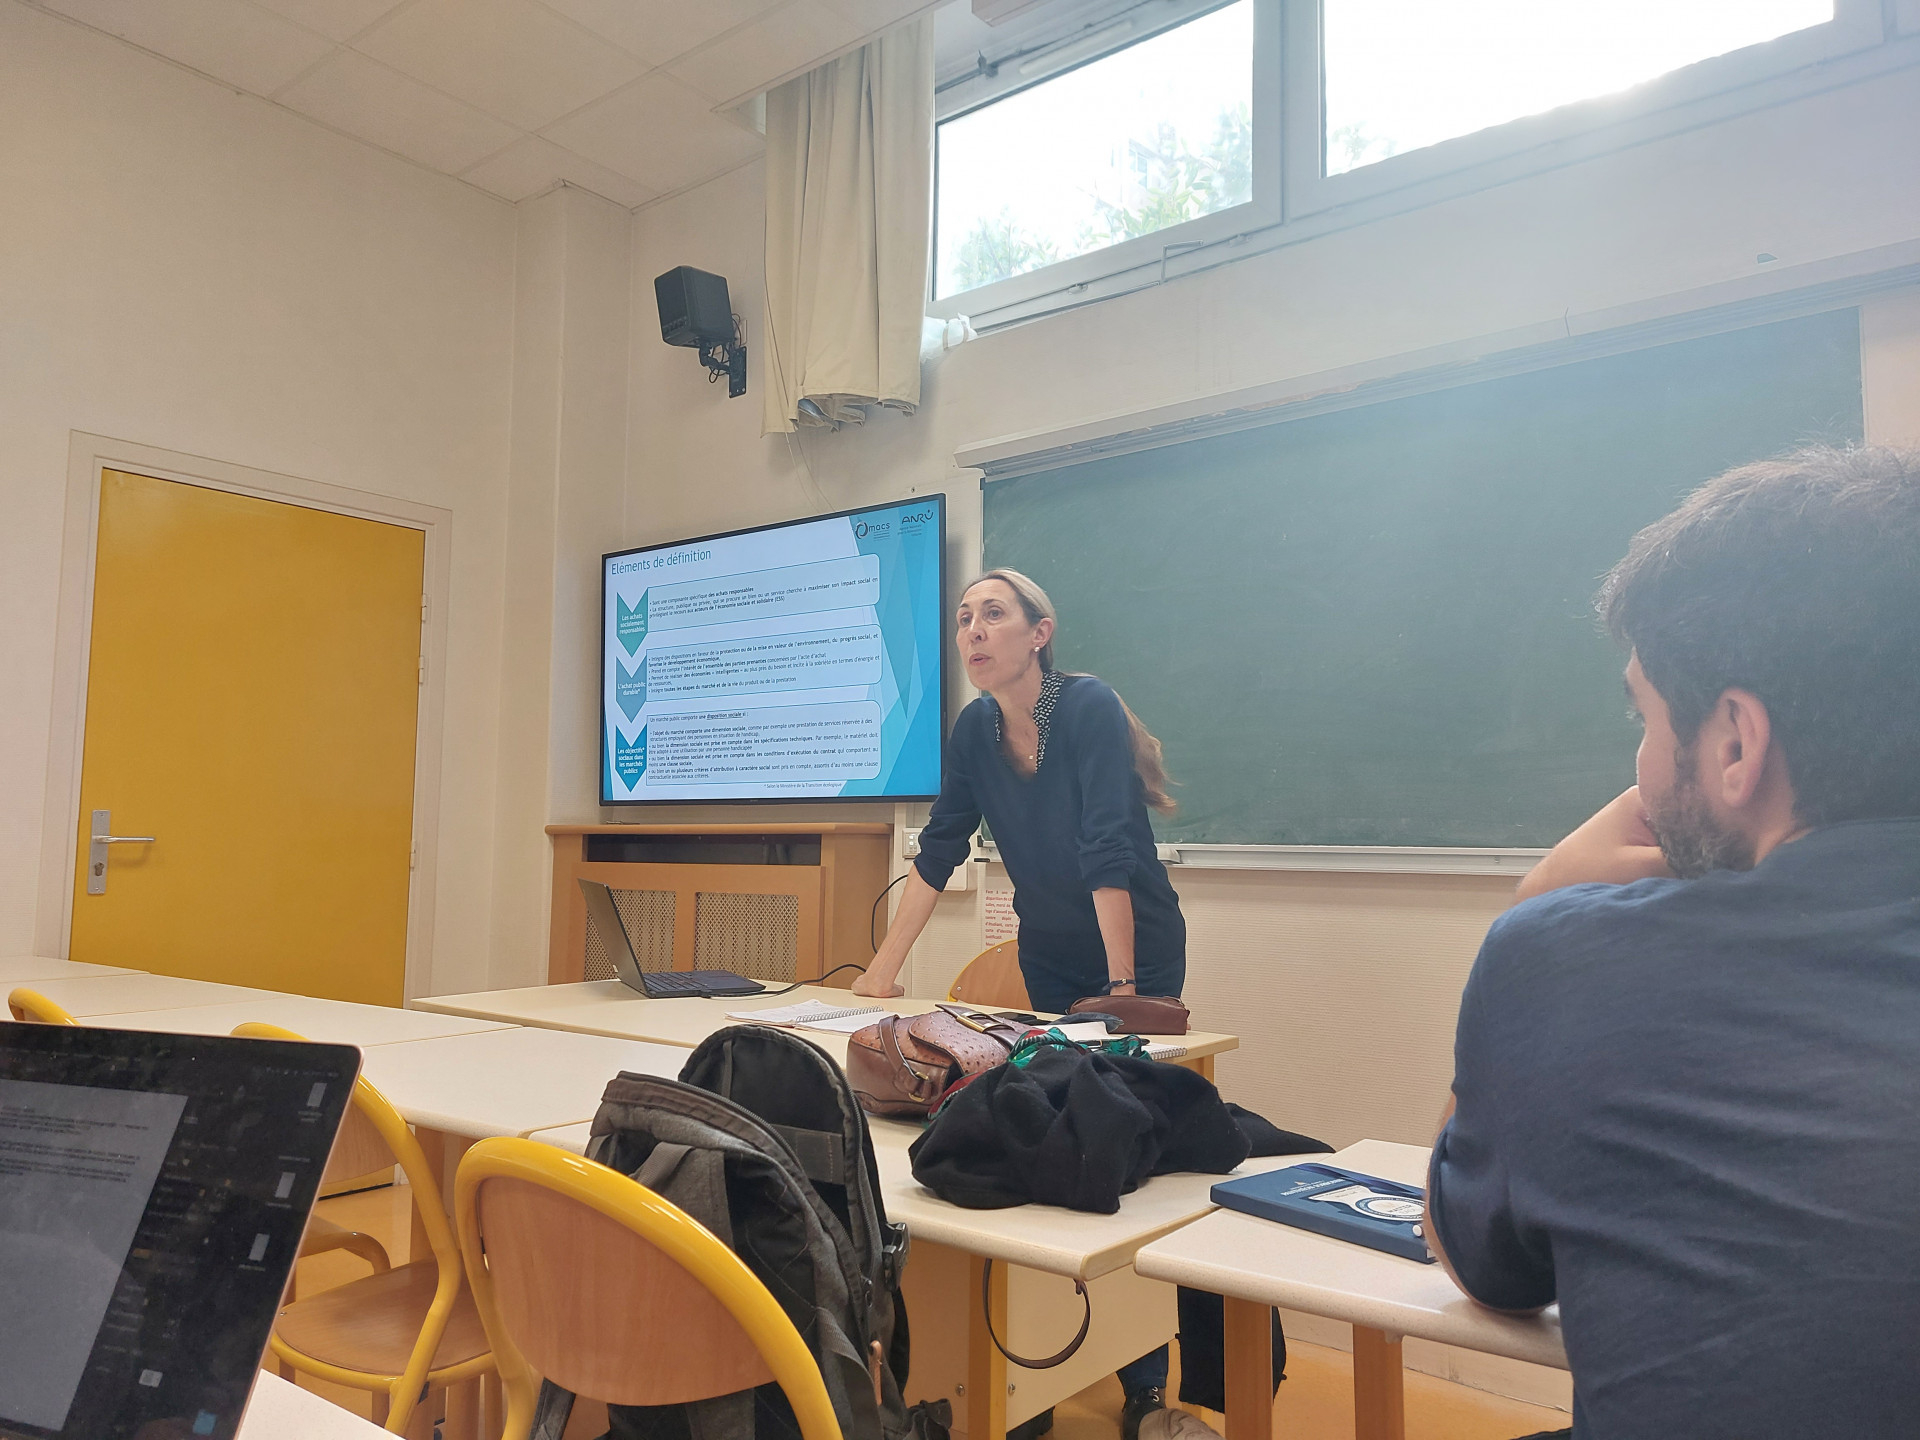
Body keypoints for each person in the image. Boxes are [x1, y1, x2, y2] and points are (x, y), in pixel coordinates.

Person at [1426, 445, 1920, 1438]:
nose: (1644, 764)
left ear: (1735, 741)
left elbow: (1486, 1268)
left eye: (1646, 716)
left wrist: (1532, 910)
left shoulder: (1569, 958)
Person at [853, 567, 1194, 1440]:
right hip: (1049, 947)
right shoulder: (973, 729)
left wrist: (1120, 993)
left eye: (994, 614)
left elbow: (1109, 848)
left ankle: (1147, 1382)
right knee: (1050, 1130)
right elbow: (937, 851)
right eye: (965, 617)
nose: (973, 629)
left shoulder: (1084, 707)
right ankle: (1025, 1382)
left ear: (1039, 633)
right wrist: (879, 972)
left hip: (1135, 945)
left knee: (1121, 1138)